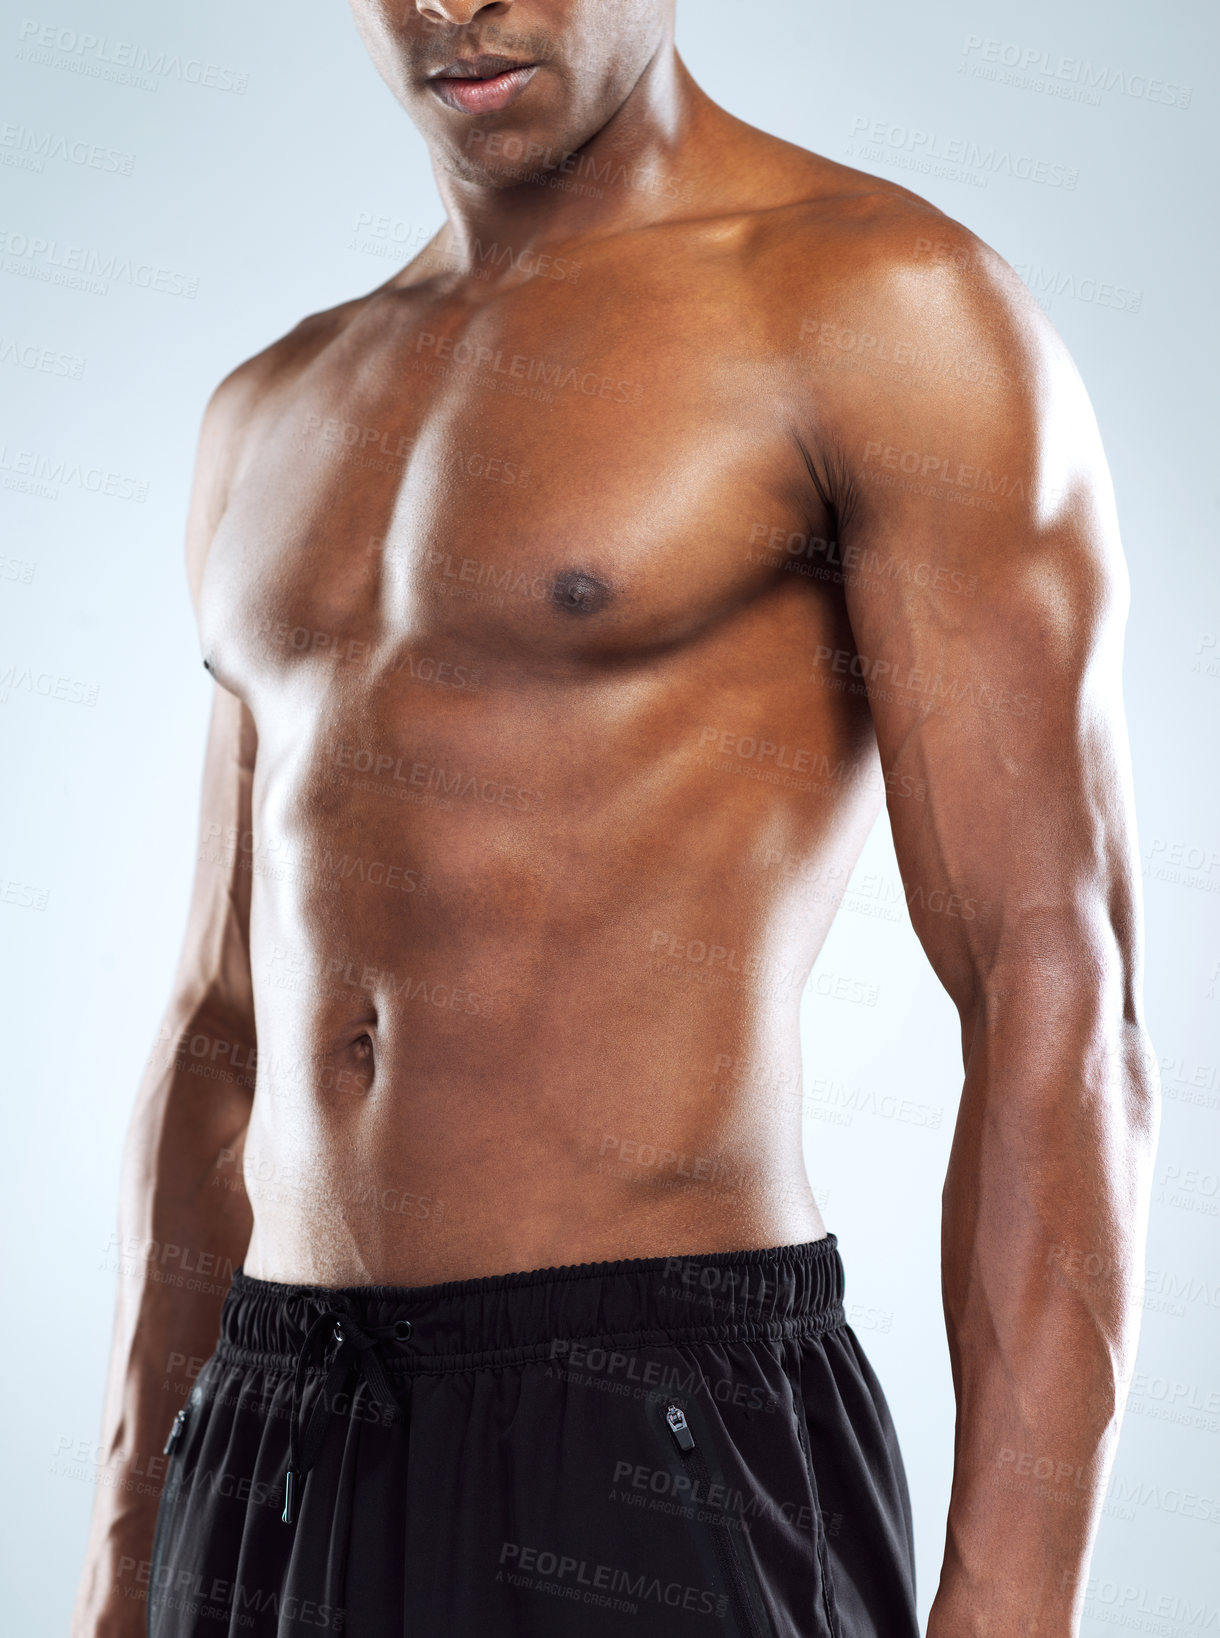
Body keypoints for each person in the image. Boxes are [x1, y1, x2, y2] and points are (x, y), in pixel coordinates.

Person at [72, 1, 1158, 1634]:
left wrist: (1012, 1611)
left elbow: (1052, 983)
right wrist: (126, 1552)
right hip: (278, 1427)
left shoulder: (876, 305)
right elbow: (218, 1024)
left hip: (650, 1413)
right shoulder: (272, 407)